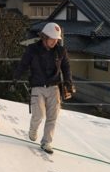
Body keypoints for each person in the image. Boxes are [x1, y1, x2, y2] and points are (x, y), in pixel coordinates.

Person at [11, 22, 73, 154]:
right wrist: (15, 79)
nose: (55, 41)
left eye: (57, 39)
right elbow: (23, 64)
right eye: (52, 38)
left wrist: (68, 82)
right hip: (37, 86)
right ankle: (33, 130)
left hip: (54, 87)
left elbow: (66, 67)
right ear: (44, 37)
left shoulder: (60, 51)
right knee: (38, 115)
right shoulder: (32, 49)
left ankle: (46, 142)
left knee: (52, 116)